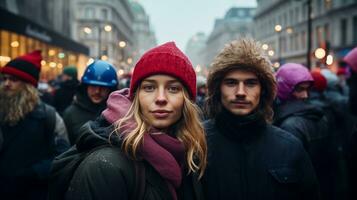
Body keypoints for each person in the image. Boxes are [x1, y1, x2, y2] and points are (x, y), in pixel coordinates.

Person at [51, 42, 207, 200]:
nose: (161, 98)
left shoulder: (192, 155)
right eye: (149, 88)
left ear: (187, 100)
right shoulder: (104, 166)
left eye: (173, 88)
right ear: (135, 97)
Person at [202, 38, 319, 200]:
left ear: (263, 90)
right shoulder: (197, 143)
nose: (241, 92)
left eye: (250, 83)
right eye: (231, 83)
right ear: (218, 89)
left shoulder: (289, 147)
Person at [0, 50, 70, 200]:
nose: (6, 84)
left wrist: (34, 172)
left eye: (13, 79)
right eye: (4, 78)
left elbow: (63, 156)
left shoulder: (50, 117)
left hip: (33, 192)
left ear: (27, 85)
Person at [274, 63, 335, 200]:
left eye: (307, 90)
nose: (305, 95)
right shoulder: (319, 116)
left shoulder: (289, 125)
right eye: (299, 89)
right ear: (284, 89)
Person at [62, 60, 118, 145]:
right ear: (85, 87)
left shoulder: (119, 114)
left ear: (110, 89)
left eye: (103, 87)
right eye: (93, 86)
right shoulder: (70, 113)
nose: (97, 91)